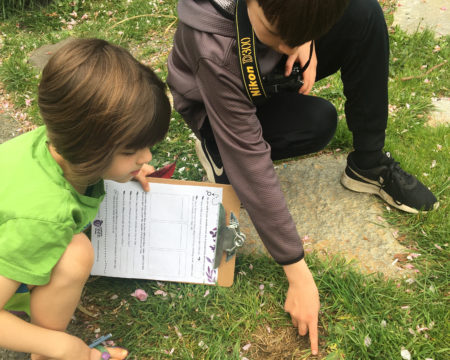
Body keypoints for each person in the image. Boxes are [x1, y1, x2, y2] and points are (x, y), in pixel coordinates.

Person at [167, 0, 438, 355]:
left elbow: (301, 20)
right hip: (218, 100)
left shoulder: (285, 30)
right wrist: (296, 270)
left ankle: (368, 164)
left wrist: (305, 39)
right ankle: (218, 152)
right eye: (278, 35)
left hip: (264, 66)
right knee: (317, 122)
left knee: (363, 12)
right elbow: (252, 158)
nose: (286, 46)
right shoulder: (212, 48)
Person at [0, 38, 171, 360]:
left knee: (74, 249)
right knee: (75, 255)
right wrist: (59, 346)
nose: (146, 157)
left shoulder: (55, 142)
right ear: (88, 151)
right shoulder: (43, 217)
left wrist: (127, 167)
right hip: (12, 251)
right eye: (130, 151)